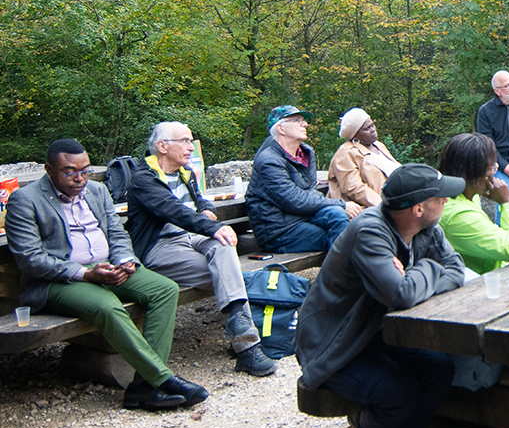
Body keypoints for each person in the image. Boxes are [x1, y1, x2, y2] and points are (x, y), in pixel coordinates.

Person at [294, 164, 466, 428]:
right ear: (418, 207)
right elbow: (402, 295)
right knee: (399, 392)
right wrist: (428, 268)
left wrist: (413, 274)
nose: (446, 201)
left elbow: (455, 270)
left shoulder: (426, 227)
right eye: (441, 197)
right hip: (336, 346)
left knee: (439, 368)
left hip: (375, 332)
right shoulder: (370, 232)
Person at [6, 139, 208, 410]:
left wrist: (126, 260)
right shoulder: (25, 199)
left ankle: (141, 387)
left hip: (108, 265)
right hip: (57, 280)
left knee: (165, 289)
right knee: (108, 306)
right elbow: (30, 258)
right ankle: (162, 379)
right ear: (49, 169)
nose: (79, 179)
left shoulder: (97, 191)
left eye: (85, 171)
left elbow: (117, 233)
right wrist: (85, 275)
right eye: (70, 172)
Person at [125, 122, 278, 377]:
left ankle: (243, 337)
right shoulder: (144, 179)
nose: (190, 147)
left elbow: (201, 199)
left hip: (192, 237)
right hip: (160, 247)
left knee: (225, 247)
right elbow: (171, 210)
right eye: (184, 141)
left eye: (190, 141)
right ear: (162, 146)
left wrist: (209, 211)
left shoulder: (186, 172)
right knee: (229, 275)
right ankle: (247, 348)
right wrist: (209, 225)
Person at [246, 105, 363, 252]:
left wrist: (340, 207)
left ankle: (345, 272)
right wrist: (342, 204)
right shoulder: (268, 161)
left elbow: (309, 190)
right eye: (297, 120)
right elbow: (294, 199)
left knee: (342, 219)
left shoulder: (305, 153)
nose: (305, 124)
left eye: (303, 121)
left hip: (304, 217)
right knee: (344, 235)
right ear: (281, 129)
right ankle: (342, 274)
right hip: (280, 231)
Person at [437, 133, 509, 274]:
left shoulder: (468, 195)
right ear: (476, 173)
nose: (494, 174)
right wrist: (507, 202)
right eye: (492, 168)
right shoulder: (458, 214)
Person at [328, 108, 401, 209]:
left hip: (399, 200)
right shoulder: (346, 152)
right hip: (372, 209)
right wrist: (386, 206)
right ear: (355, 134)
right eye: (367, 128)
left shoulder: (378, 145)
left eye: (372, 125)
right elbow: (354, 188)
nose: (373, 130)